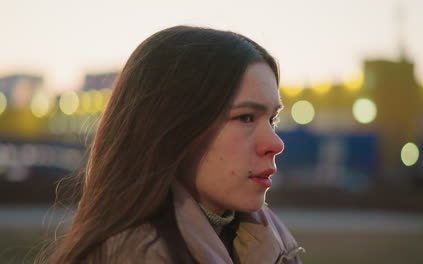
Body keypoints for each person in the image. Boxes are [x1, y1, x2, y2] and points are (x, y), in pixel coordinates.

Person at [44, 25, 304, 263]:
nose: (275, 143)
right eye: (245, 117)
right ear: (172, 128)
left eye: (272, 119)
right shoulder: (134, 256)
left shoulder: (269, 244)